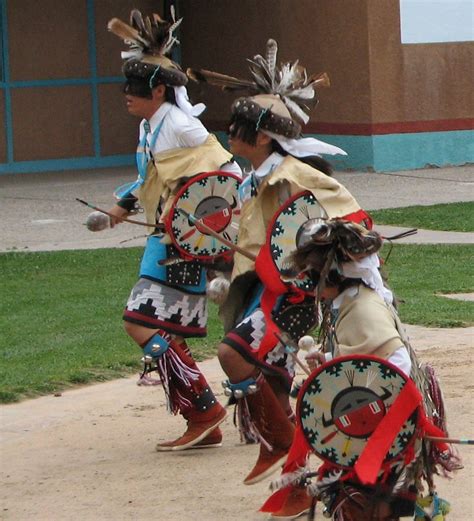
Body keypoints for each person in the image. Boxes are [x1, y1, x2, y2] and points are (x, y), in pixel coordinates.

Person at [189, 39, 372, 518]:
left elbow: (352, 221)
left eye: (242, 126)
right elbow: (259, 238)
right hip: (264, 292)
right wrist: (229, 270)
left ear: (266, 136)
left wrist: (311, 263)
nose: (232, 131)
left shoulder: (294, 175)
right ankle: (299, 483)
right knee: (269, 385)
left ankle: (281, 444)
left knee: (233, 354)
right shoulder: (254, 177)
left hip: (295, 297)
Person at [106, 8, 241, 451]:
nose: (126, 95)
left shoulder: (182, 125)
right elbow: (155, 178)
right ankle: (203, 416)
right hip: (163, 239)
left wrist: (197, 219)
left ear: (160, 90)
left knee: (139, 322)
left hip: (183, 243)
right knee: (160, 327)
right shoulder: (151, 125)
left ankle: (203, 409)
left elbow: (226, 174)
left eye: (135, 88)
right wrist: (120, 207)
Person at [262, 219, 459, 521]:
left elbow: (397, 363)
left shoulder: (363, 309)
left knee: (362, 503)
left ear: (334, 275)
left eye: (314, 277)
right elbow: (365, 357)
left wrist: (366, 406)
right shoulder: (351, 302)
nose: (310, 286)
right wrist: (332, 364)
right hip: (373, 422)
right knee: (364, 501)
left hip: (383, 425)